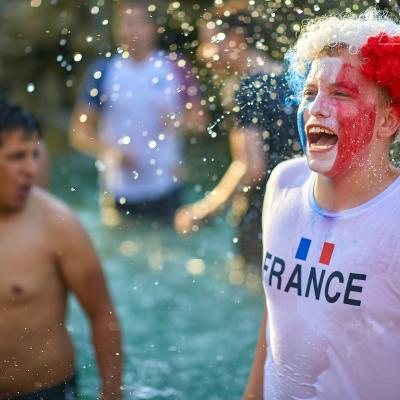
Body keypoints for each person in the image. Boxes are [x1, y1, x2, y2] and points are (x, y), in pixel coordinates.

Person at [244, 8, 400, 399]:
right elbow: (278, 316)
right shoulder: (284, 183)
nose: (316, 108)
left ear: (388, 121)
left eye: (341, 93)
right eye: (310, 93)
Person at [0, 101, 122, 399]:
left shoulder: (58, 225)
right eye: (17, 157)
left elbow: (103, 315)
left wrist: (112, 393)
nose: (31, 169)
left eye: (34, 155)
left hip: (46, 392)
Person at [175, 12, 300, 267]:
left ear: (235, 39)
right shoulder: (289, 77)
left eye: (209, 43)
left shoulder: (244, 89)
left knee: (253, 285)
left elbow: (251, 169)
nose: (202, 53)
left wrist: (202, 211)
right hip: (300, 210)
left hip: (264, 215)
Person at [70, 0, 207, 225]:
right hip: (118, 190)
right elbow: (79, 132)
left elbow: (201, 123)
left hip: (168, 186)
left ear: (154, 28)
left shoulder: (175, 67)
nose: (131, 31)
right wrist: (112, 153)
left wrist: (179, 121)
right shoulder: (103, 71)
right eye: (125, 23)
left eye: (138, 23)